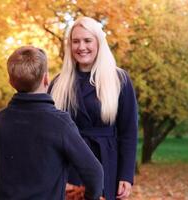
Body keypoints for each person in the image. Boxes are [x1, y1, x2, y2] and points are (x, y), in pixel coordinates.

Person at [0, 46, 104, 200]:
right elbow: (94, 172)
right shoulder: (60, 123)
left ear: (11, 82)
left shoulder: (1, 120)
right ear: (46, 79)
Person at [48, 17, 138, 200]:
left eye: (87, 40)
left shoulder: (119, 80)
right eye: (76, 41)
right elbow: (49, 134)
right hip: (69, 167)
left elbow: (129, 132)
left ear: (98, 42)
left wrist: (126, 175)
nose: (81, 47)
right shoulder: (58, 83)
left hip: (107, 164)